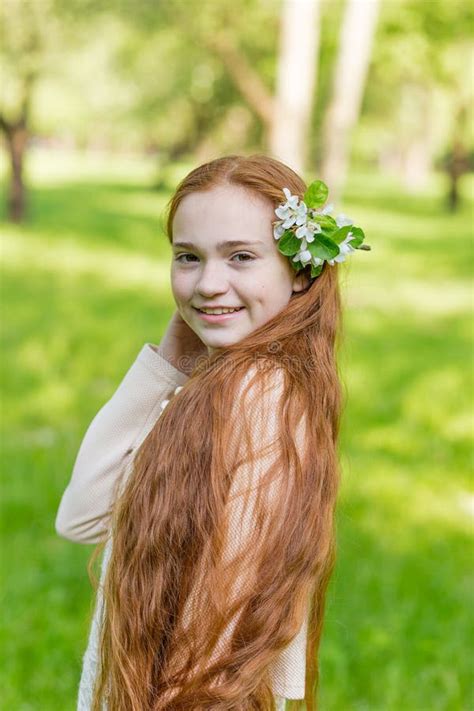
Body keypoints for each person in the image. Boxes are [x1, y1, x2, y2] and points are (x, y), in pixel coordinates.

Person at [56, 154, 367, 710]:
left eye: (241, 257)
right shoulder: (212, 387)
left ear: (300, 269)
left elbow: (218, 620)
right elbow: (80, 518)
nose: (208, 284)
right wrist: (164, 366)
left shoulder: (262, 399)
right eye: (188, 258)